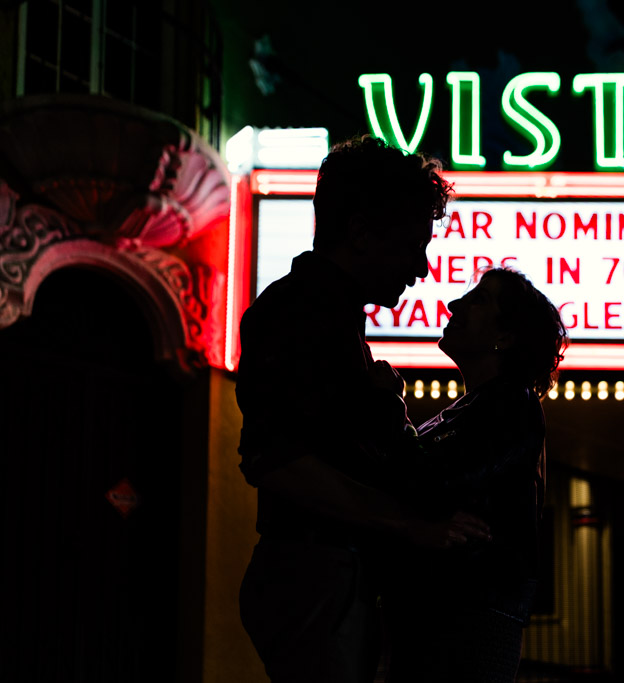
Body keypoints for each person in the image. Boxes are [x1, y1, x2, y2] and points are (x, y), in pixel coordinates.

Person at [235, 135, 489, 683]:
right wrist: (409, 524)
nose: (421, 269)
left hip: (323, 572)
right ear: (361, 232)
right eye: (411, 246)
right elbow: (274, 459)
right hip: (315, 569)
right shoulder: (305, 314)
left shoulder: (327, 316)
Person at [380, 266, 568, 682]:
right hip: (442, 619)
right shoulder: (479, 408)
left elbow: (425, 479)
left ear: (505, 336)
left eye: (479, 299)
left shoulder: (510, 408)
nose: (455, 303)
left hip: (464, 626)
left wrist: (387, 411)